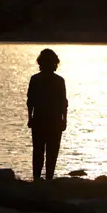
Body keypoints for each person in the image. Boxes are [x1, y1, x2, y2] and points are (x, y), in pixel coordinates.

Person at [26, 48, 68, 181]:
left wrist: (30, 118)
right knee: (52, 152)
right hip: (54, 120)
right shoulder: (59, 81)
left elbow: (30, 101)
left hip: (39, 119)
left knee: (38, 151)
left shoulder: (35, 79)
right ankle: (48, 179)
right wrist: (64, 120)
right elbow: (64, 103)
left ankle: (36, 179)